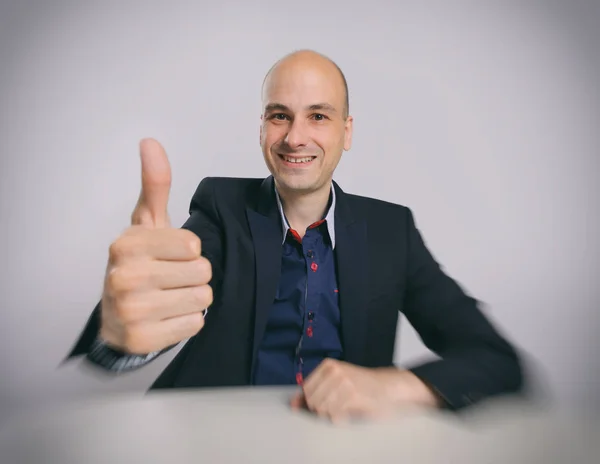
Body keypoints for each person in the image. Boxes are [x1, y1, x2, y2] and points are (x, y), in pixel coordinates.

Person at [67, 49, 524, 422]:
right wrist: (120, 335)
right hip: (212, 440)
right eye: (280, 115)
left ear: (347, 132)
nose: (295, 137)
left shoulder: (392, 230)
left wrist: (399, 385)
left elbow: (494, 357)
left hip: (342, 443)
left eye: (319, 117)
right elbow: (168, 289)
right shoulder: (222, 210)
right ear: (262, 128)